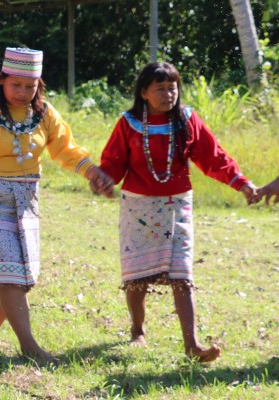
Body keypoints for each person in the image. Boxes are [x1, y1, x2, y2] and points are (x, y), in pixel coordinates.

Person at [0, 47, 115, 364]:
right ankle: (29, 346)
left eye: (29, 86)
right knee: (10, 275)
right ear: (2, 81)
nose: (21, 92)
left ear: (39, 85)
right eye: (15, 85)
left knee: (21, 274)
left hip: (25, 198)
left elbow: (67, 151)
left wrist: (92, 172)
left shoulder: (46, 115)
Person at [98, 61, 257, 362]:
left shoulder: (186, 119)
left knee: (182, 275)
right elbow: (114, 161)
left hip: (177, 205)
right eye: (160, 88)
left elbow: (213, 157)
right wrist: (104, 178)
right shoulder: (129, 122)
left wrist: (242, 183)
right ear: (144, 92)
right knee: (137, 277)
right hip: (139, 205)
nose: (168, 94)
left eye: (172, 88)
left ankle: (192, 345)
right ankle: (137, 331)